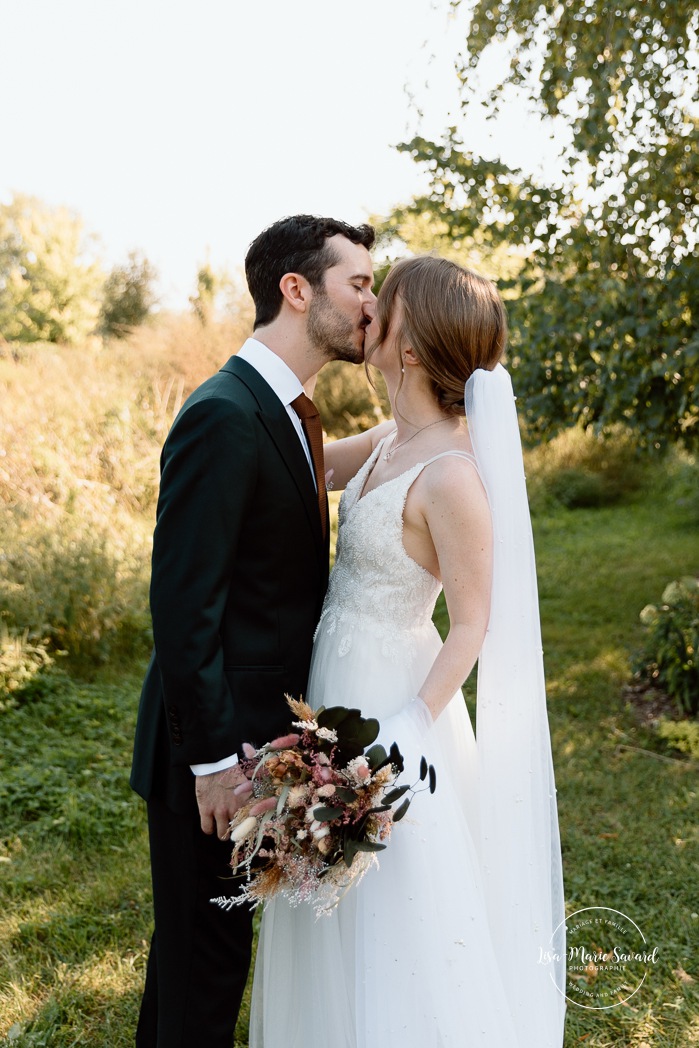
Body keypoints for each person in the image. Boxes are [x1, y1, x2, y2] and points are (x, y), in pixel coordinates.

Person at [249, 256, 566, 1046]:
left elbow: (471, 626)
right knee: (328, 885)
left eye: (378, 307)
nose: (365, 316)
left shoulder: (451, 472)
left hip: (395, 706)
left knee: (396, 904)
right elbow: (308, 468)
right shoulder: (394, 437)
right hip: (333, 679)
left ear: (412, 346)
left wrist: (408, 728)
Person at [130, 214, 376, 1047]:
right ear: (296, 290)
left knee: (192, 957)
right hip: (213, 755)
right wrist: (209, 763)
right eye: (360, 284)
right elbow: (182, 604)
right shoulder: (225, 413)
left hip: (254, 746)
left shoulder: (285, 412)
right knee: (207, 963)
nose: (371, 304)